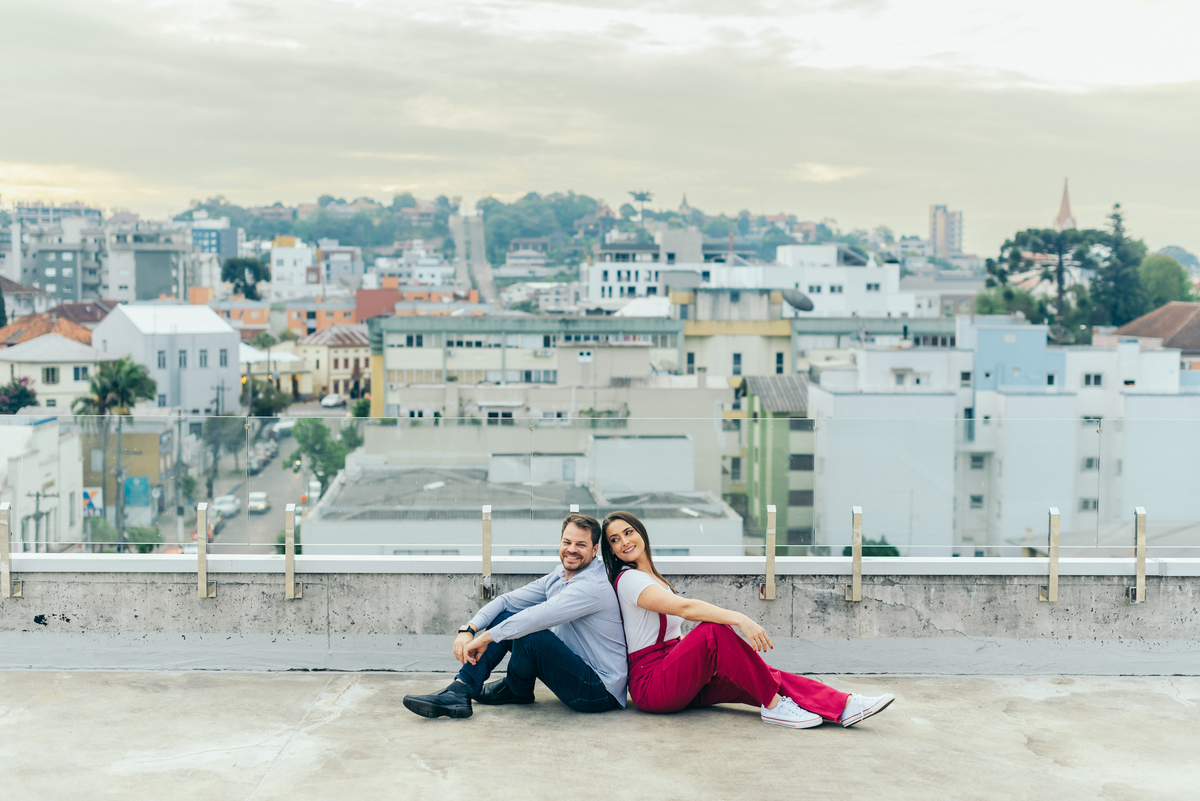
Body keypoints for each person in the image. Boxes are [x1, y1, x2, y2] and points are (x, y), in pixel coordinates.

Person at [601, 510, 894, 729]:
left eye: (628, 532)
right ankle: (775, 706)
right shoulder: (629, 581)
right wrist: (740, 618)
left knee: (762, 675)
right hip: (653, 686)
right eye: (615, 539)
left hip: (676, 675)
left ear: (640, 532)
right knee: (712, 632)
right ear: (611, 550)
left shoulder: (652, 578)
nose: (624, 541)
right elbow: (686, 609)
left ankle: (844, 706)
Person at [403, 513, 627, 719]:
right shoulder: (560, 575)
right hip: (578, 671)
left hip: (598, 691)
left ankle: (500, 688)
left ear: (595, 549)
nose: (572, 549)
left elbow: (536, 618)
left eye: (581, 545)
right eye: (567, 542)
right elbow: (506, 601)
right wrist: (469, 629)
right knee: (507, 616)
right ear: (560, 543)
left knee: (529, 633)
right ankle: (464, 688)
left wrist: (485, 638)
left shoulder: (591, 586)